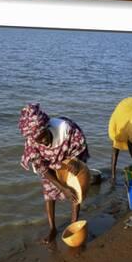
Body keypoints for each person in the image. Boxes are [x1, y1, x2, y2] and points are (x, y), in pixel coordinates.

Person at [19, 103, 90, 243]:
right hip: (48, 162)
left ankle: (73, 224)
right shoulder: (32, 142)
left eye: (44, 135)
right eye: (39, 139)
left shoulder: (66, 129)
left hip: (70, 154)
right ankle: (52, 228)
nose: (44, 140)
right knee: (48, 190)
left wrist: (74, 160)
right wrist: (62, 188)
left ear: (46, 127)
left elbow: (80, 145)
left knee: (75, 187)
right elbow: (42, 168)